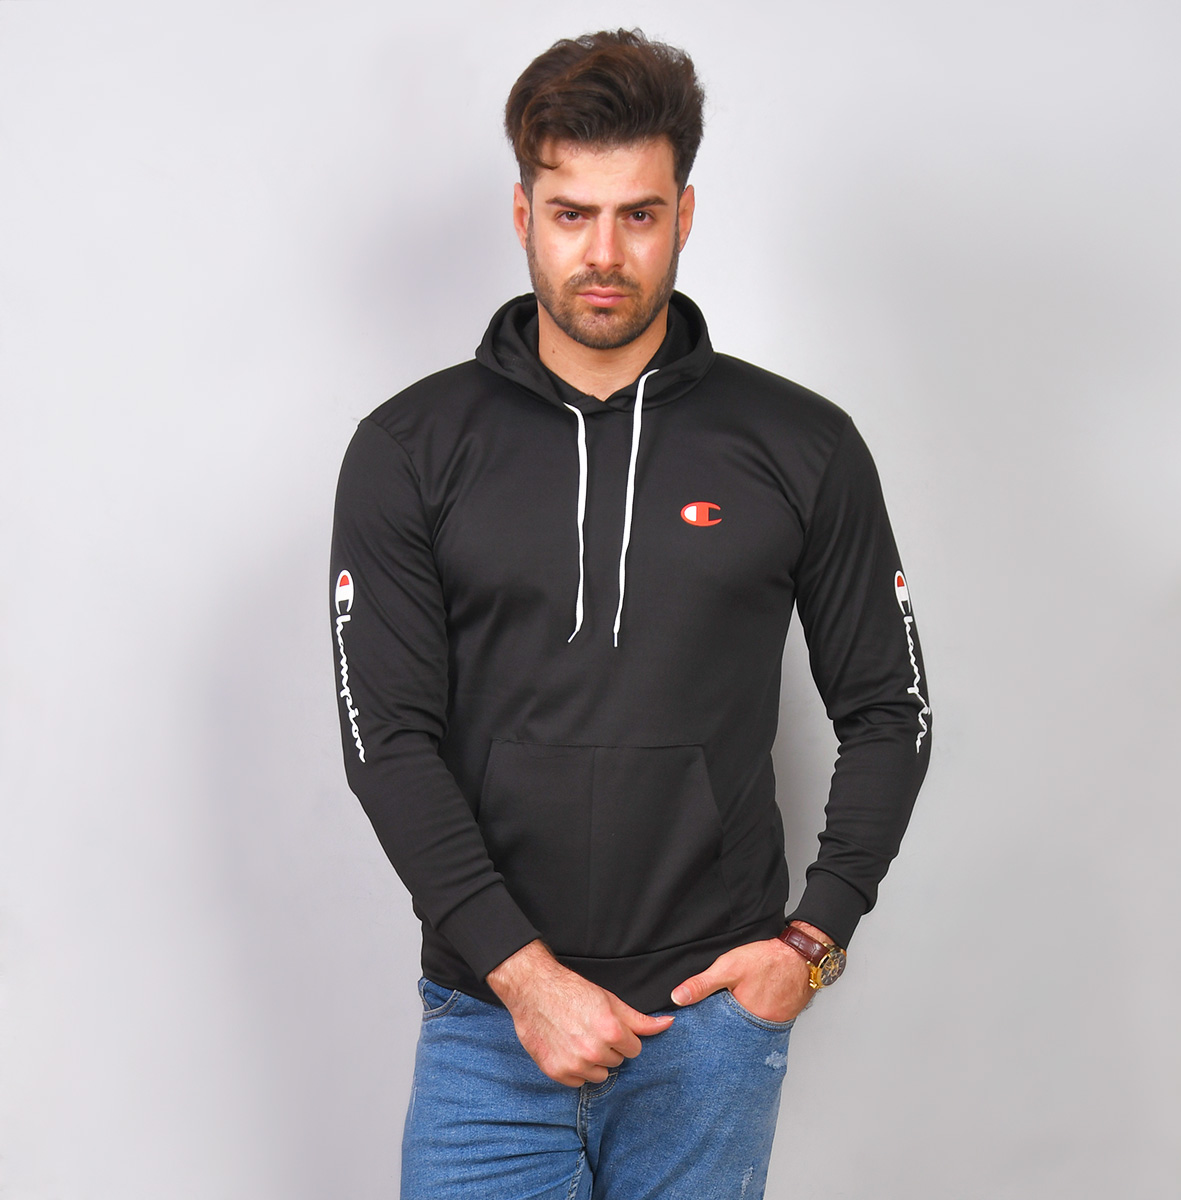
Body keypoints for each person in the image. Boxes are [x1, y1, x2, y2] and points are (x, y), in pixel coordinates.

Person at [330, 27, 931, 1199]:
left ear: (684, 216)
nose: (604, 254)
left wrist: (811, 943)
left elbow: (890, 709)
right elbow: (385, 739)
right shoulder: (409, 449)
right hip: (489, 1023)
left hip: (709, 1030)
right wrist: (523, 977)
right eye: (572, 215)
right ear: (523, 215)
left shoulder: (801, 445)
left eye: (639, 215)